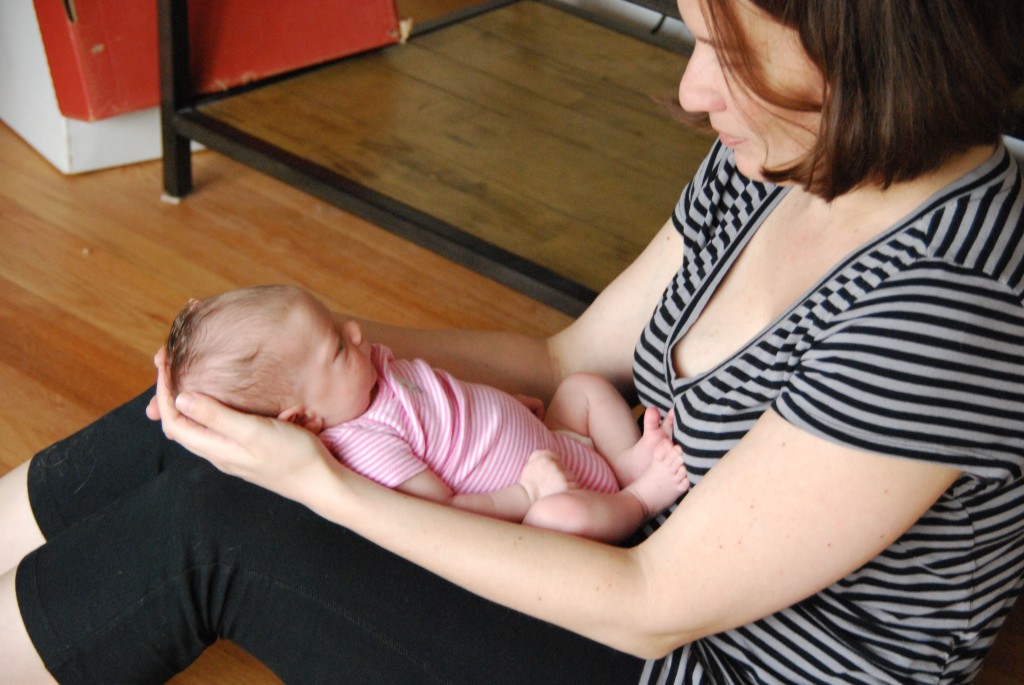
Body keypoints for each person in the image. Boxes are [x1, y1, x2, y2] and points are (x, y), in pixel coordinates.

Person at [2, 0, 1023, 683]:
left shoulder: (950, 303)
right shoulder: (788, 154)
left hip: (690, 654)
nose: (690, 91)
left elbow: (653, 605)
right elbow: (565, 360)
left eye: (733, 55)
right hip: (608, 546)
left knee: (218, 522)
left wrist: (323, 481)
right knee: (212, 413)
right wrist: (300, 353)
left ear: (871, 54)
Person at [164, 284, 689, 542]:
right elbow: (447, 512)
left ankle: (626, 461)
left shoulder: (368, 373)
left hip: (552, 442)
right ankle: (638, 500)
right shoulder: (367, 445)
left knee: (582, 389)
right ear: (304, 421)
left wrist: (512, 411)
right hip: (552, 494)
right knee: (558, 519)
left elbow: (445, 398)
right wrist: (527, 495)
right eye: (338, 347)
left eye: (339, 324)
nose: (356, 332)